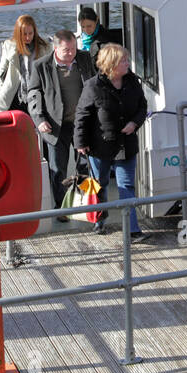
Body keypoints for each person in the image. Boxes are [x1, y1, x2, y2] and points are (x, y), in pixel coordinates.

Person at [75, 43, 148, 237]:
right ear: (111, 64)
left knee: (127, 187)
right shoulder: (93, 86)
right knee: (99, 184)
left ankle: (132, 230)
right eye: (123, 60)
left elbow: (142, 106)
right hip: (99, 146)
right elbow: (82, 115)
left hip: (126, 144)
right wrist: (80, 142)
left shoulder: (133, 81)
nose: (127, 63)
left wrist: (134, 123)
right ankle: (99, 221)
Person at [26, 30, 96, 213]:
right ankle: (62, 208)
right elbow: (33, 94)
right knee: (58, 169)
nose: (71, 53)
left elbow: (95, 85)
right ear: (55, 48)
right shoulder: (40, 66)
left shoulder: (85, 58)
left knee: (85, 165)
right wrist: (39, 119)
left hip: (82, 124)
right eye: (66, 50)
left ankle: (84, 205)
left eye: (73, 48)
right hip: (55, 126)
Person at [0, 14, 50, 113]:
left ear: (35, 32)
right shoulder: (9, 45)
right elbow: (2, 70)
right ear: (18, 33)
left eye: (30, 33)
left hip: (37, 93)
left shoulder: (44, 47)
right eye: (24, 34)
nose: (28, 37)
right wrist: (0, 89)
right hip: (15, 93)